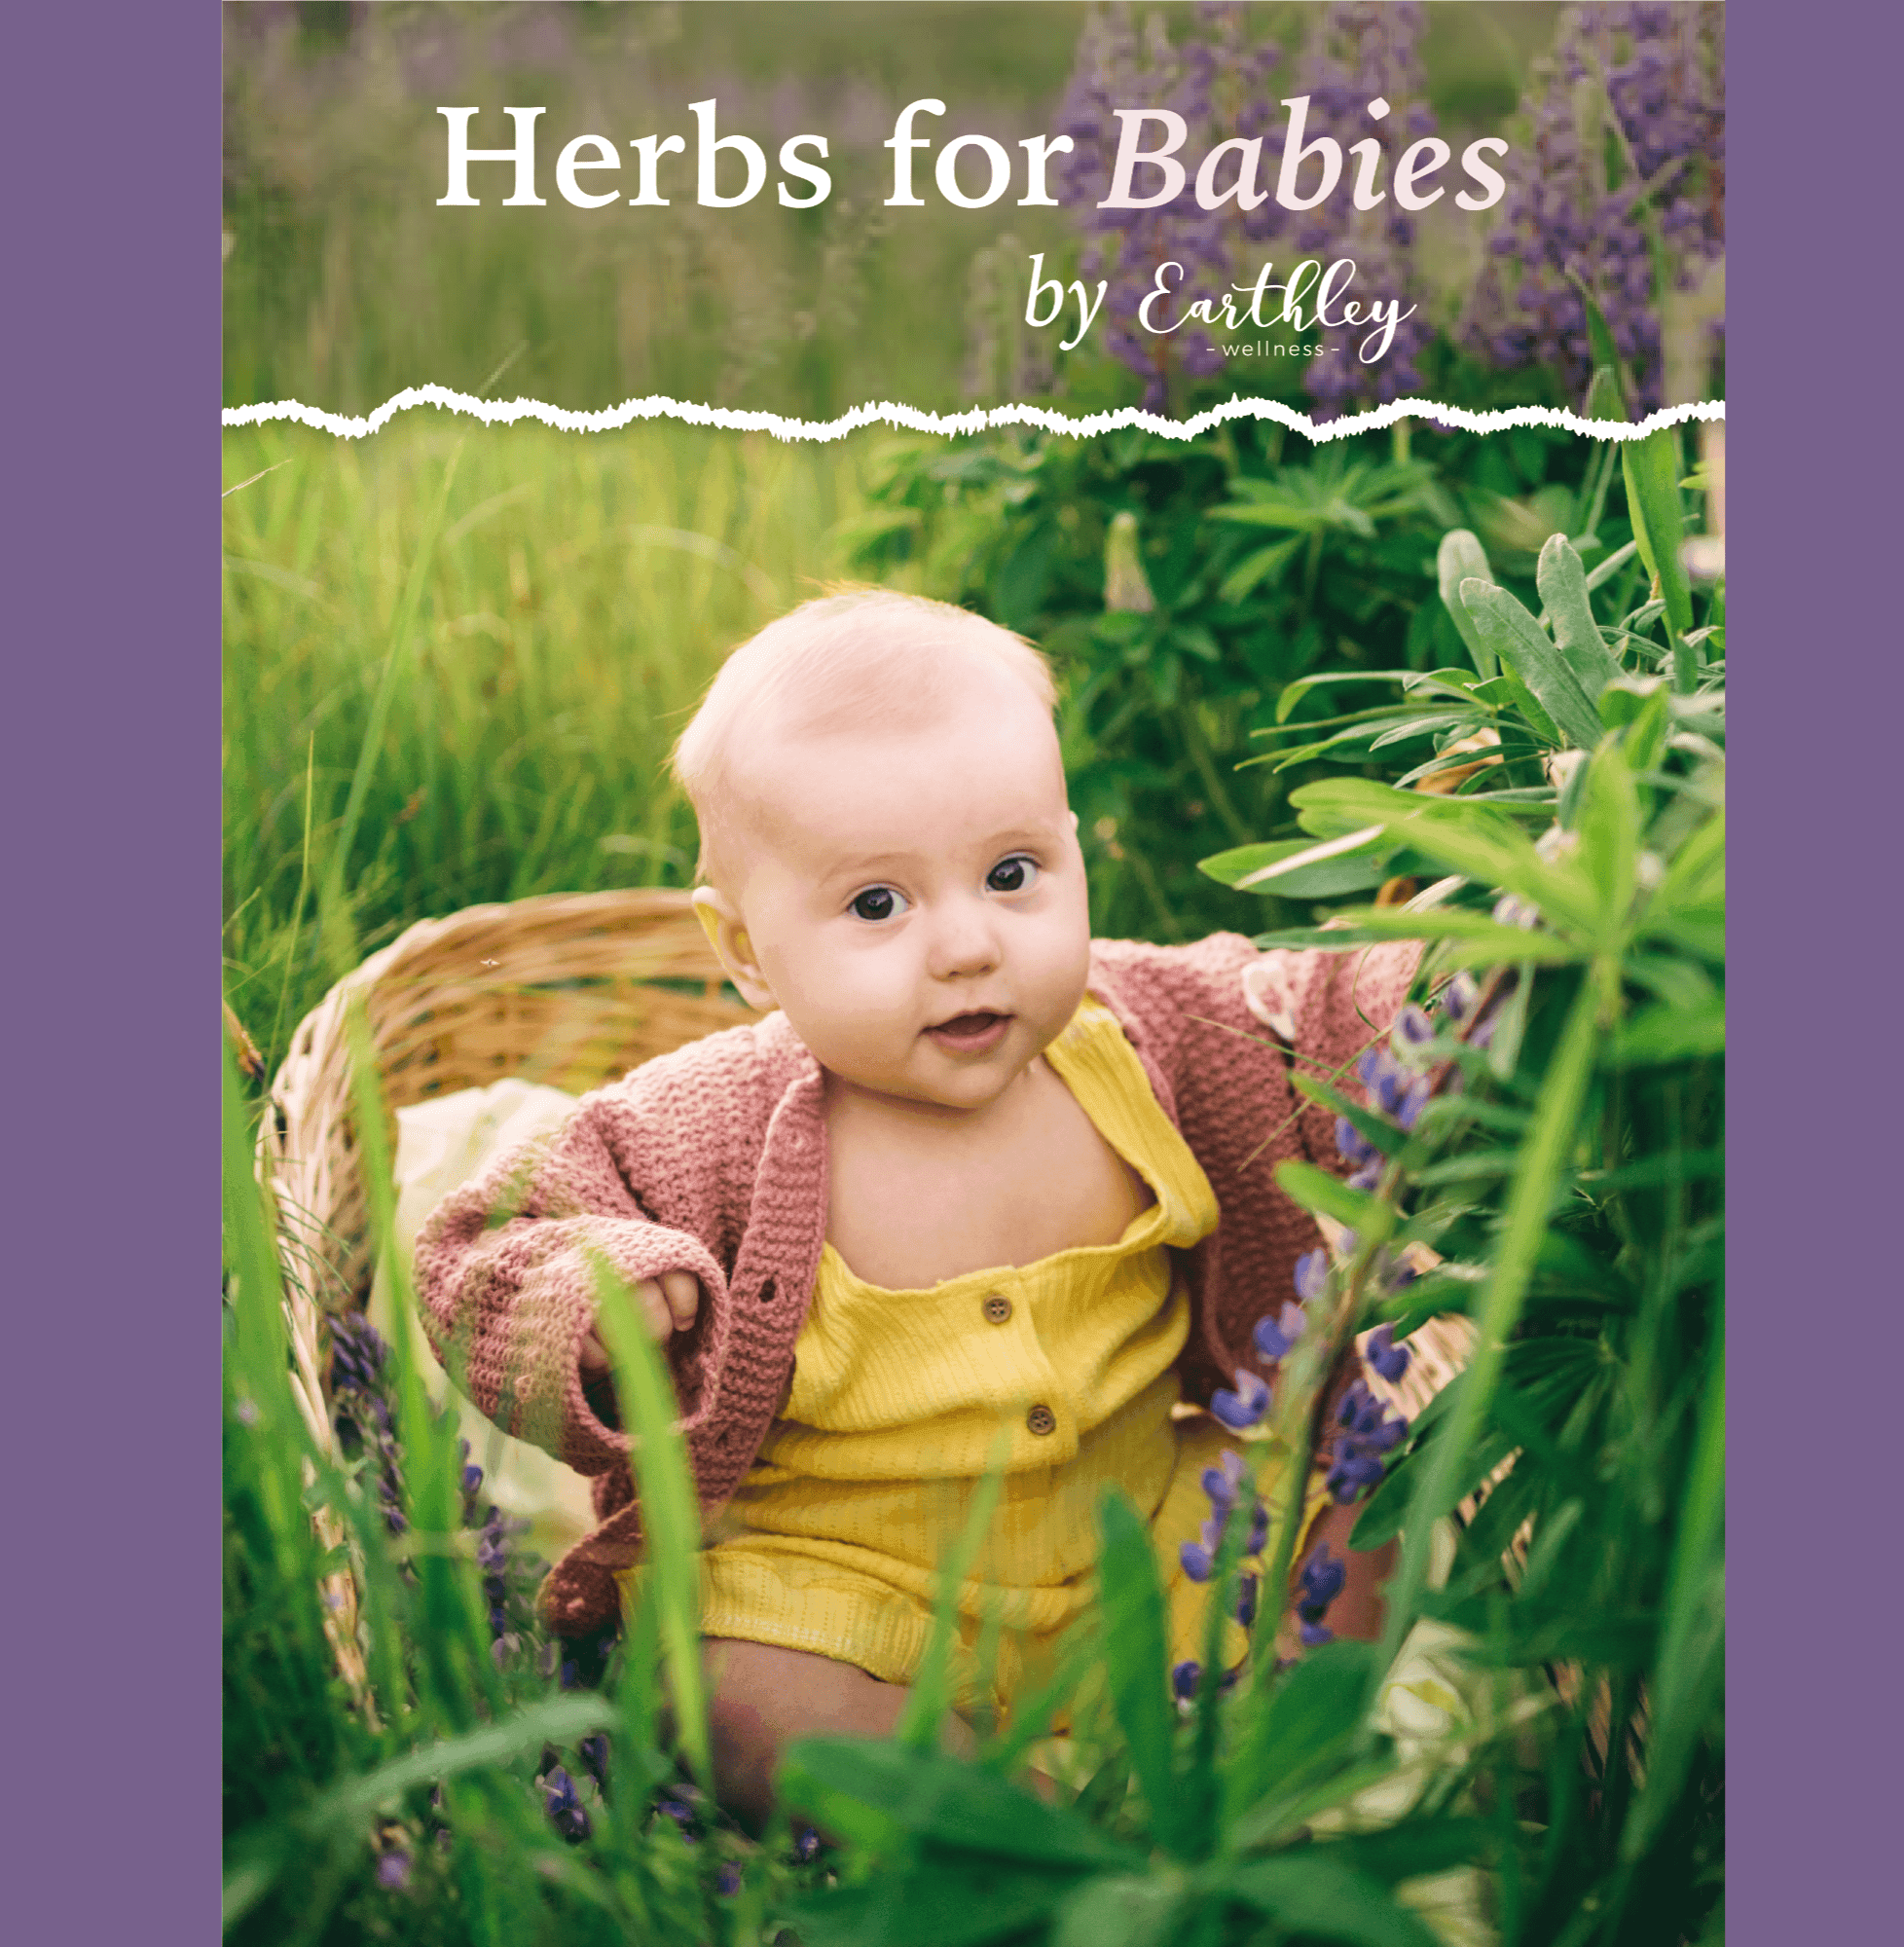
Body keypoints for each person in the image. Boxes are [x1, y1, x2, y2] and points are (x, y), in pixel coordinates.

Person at [416, 590, 1419, 1822]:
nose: (963, 946)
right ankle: (1020, 1830)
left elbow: (1305, 1014)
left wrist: (1446, 971)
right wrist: (598, 1287)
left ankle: (1273, 1762)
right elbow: (484, 1246)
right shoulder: (714, 1119)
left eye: (1010, 874)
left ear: (1073, 849)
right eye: (876, 904)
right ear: (743, 948)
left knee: (1368, 1478)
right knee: (722, 1688)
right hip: (845, 1604)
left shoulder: (1147, 1036)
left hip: (1148, 1544)